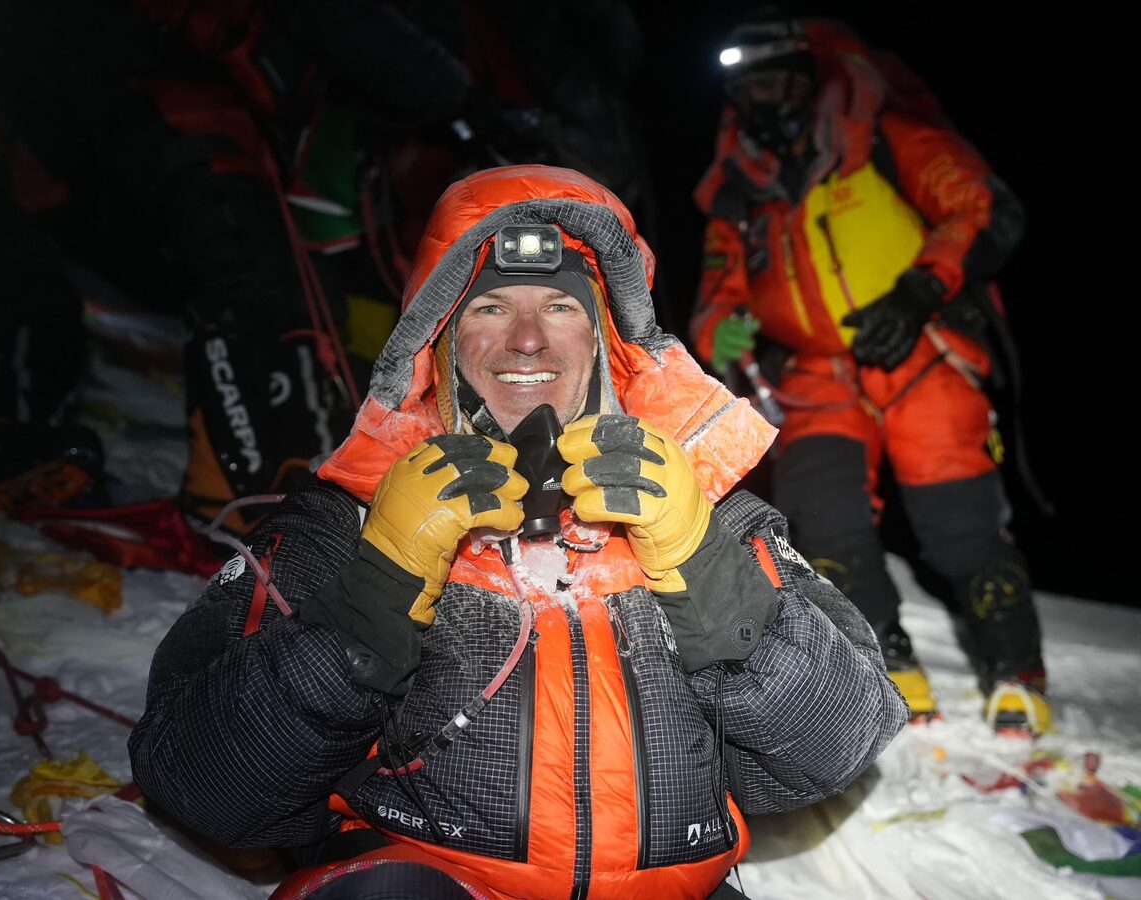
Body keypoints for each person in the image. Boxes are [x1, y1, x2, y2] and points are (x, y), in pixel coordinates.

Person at [128, 164, 908, 899]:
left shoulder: (706, 506)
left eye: (561, 307)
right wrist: (374, 596)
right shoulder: (352, 519)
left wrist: (708, 566)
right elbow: (200, 784)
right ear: (439, 338)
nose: (527, 339)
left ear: (606, 339)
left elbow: (835, 747)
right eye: (491, 308)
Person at [689, 9, 1047, 733]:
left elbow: (978, 205)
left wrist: (920, 291)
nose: (769, 104)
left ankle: (1016, 669)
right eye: (752, 92)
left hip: (921, 352)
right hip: (813, 376)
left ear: (814, 81)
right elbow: (715, 293)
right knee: (824, 521)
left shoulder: (884, 136)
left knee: (959, 522)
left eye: (782, 84)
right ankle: (884, 657)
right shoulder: (738, 192)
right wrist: (716, 332)